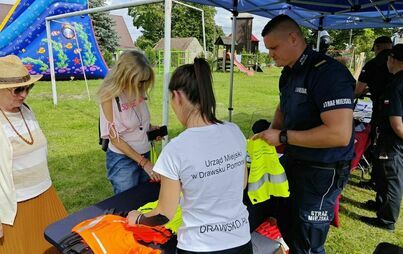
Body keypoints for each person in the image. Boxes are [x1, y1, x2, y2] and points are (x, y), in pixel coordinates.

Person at [127, 58, 252, 254]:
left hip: (199, 246)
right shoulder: (234, 131)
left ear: (177, 96)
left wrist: (138, 218)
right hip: (241, 243)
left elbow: (163, 215)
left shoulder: (176, 150)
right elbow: (242, 182)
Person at [255, 15, 355, 254]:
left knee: (308, 240)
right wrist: (272, 130)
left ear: (293, 38)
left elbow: (339, 134)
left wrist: (282, 137)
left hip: (322, 171)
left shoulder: (327, 73)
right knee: (289, 227)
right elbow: (284, 106)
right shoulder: (288, 72)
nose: (270, 54)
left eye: (274, 47)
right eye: (268, 48)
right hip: (295, 162)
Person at [0, 55, 67, 253]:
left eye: (29, 88)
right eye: (18, 89)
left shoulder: (26, 110)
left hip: (45, 195)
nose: (24, 94)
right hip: (15, 209)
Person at [98, 50, 161, 194]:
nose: (142, 86)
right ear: (125, 77)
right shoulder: (109, 96)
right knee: (127, 205)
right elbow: (115, 138)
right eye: (139, 81)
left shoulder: (138, 89)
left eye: (145, 81)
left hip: (144, 154)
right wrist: (144, 163)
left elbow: (136, 121)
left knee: (145, 200)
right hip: (123, 160)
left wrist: (150, 129)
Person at [360, 44, 403, 231]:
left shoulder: (396, 85)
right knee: (385, 176)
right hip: (393, 139)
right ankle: (380, 204)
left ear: (392, 59)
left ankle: (387, 220)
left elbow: (397, 123)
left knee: (391, 178)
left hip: (392, 140)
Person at [355, 36, 393, 193]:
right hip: (397, 110)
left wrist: (365, 91)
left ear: (377, 47)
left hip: (383, 112)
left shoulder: (373, 64)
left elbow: (357, 90)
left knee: (379, 145)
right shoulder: (397, 62)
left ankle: (376, 181)